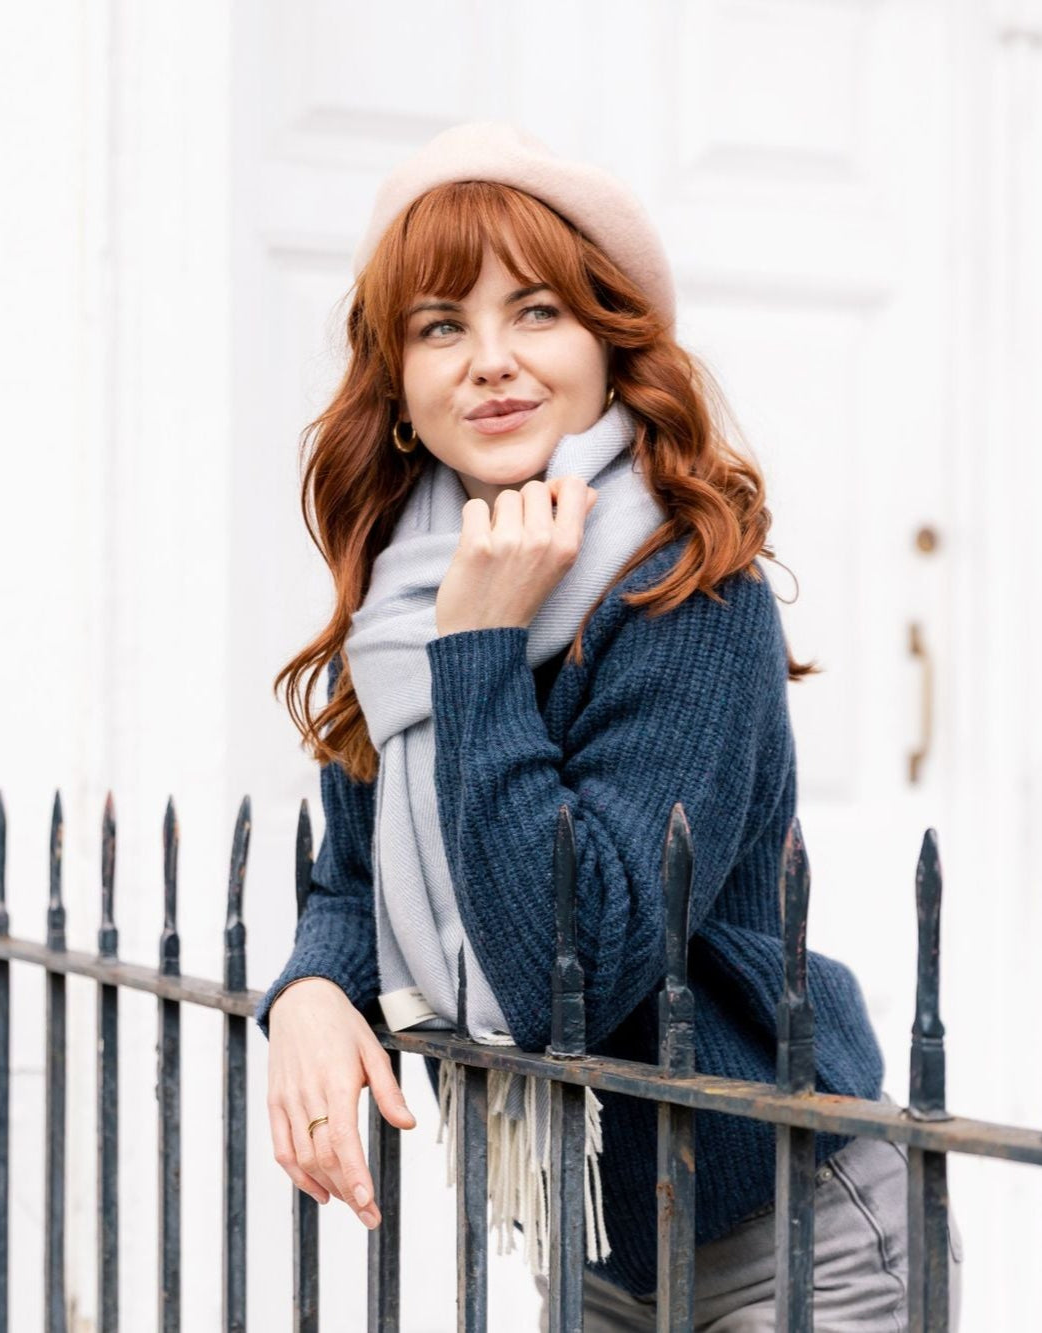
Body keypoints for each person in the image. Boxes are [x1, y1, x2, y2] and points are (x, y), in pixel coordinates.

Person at [254, 121, 963, 1330]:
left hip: (795, 1229)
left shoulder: (689, 591)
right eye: (440, 326)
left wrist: (481, 649)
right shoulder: (405, 599)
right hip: (598, 1247)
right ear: (400, 392)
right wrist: (312, 990)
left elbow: (565, 970)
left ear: (607, 347)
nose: (490, 361)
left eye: (535, 312)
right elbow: (354, 880)